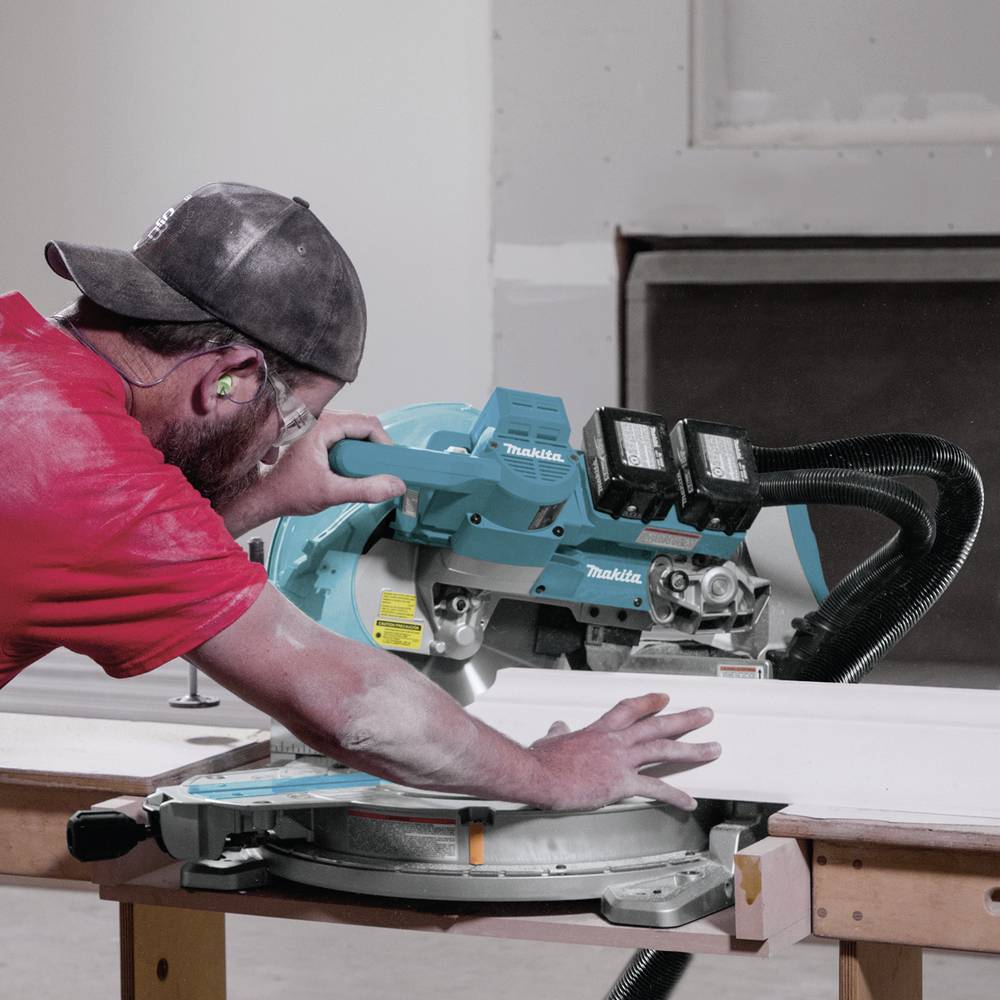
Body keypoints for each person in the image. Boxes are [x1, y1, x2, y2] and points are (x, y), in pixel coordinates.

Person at [0, 182, 720, 811]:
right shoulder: (82, 472)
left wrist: (267, 495)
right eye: (290, 421)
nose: (275, 447)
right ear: (234, 377)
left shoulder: (26, 369)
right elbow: (354, 709)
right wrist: (550, 772)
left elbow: (88, 556)